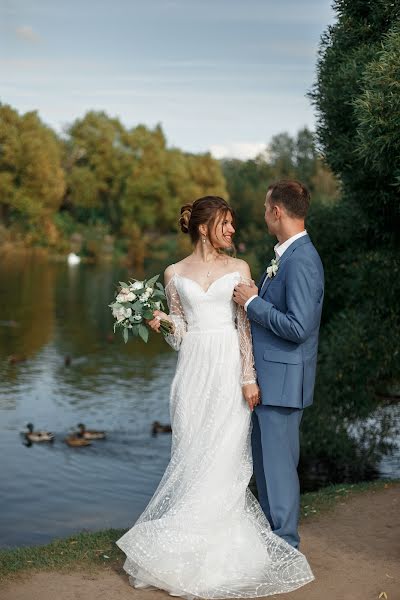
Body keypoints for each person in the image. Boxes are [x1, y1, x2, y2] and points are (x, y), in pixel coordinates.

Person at [116, 195, 314, 599]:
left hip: (228, 373)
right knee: (192, 455)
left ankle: (221, 551)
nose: (232, 231)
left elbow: (245, 329)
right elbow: (181, 333)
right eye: (225, 224)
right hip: (191, 373)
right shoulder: (173, 273)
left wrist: (248, 378)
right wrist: (161, 323)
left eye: (233, 223)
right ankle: (184, 547)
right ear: (204, 228)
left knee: (225, 458)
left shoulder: (240, 268)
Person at [233, 180, 324, 550]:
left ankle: (285, 544)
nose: (263, 213)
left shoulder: (301, 259)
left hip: (283, 383)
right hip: (273, 382)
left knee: (279, 470)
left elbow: (299, 327)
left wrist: (254, 303)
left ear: (277, 212)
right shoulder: (288, 255)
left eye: (265, 207)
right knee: (269, 470)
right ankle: (276, 541)